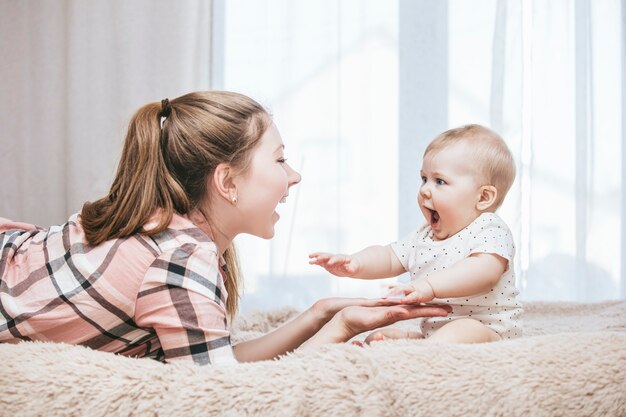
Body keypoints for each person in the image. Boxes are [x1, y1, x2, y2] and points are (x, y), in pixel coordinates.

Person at [0, 91, 451, 366]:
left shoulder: (173, 228)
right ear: (227, 182)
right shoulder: (179, 256)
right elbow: (224, 394)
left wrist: (321, 316)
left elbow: (214, 360)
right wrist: (338, 333)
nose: (294, 175)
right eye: (279, 159)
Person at [310, 124, 522, 344]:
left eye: (439, 181)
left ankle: (421, 353)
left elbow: (484, 272)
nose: (424, 190)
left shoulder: (489, 228)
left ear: (483, 197)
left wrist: (428, 286)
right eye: (424, 179)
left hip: (487, 330)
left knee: (462, 329)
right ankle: (408, 350)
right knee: (380, 337)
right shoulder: (424, 235)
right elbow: (389, 256)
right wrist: (355, 263)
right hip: (436, 331)